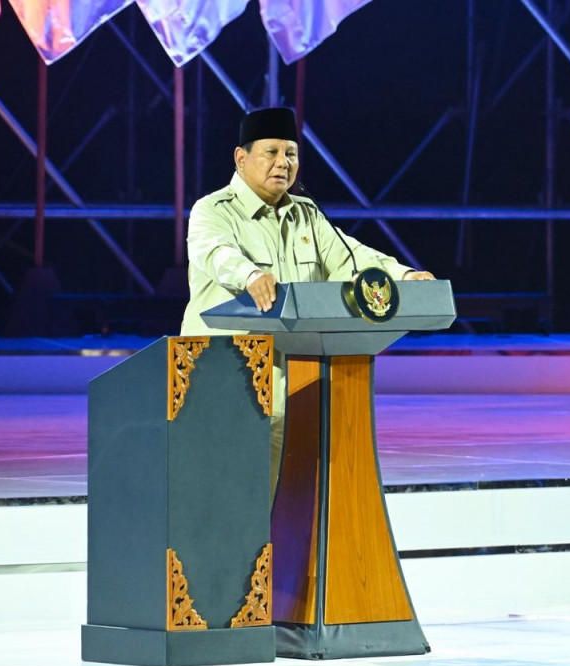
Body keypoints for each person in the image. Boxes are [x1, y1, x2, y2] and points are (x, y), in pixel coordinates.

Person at [181, 107, 434, 493]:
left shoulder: (308, 216)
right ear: (241, 158)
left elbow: (352, 257)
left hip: (298, 385)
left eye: (291, 153)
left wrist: (404, 276)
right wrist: (250, 275)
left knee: (295, 500)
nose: (283, 163)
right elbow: (215, 254)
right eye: (272, 152)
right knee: (232, 500)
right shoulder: (213, 211)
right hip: (228, 381)